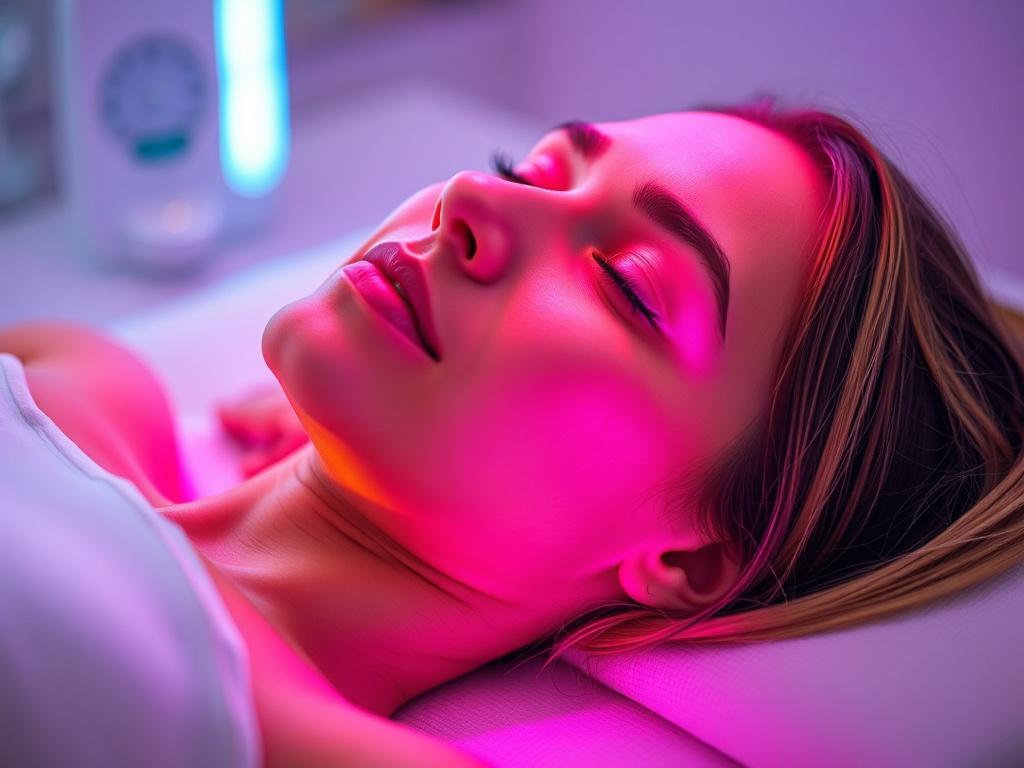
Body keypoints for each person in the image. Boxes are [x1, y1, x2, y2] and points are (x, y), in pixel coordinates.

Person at [3, 96, 1023, 767]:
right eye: (531, 169)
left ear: (692, 556)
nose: (474, 198)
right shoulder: (85, 389)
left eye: (627, 285)